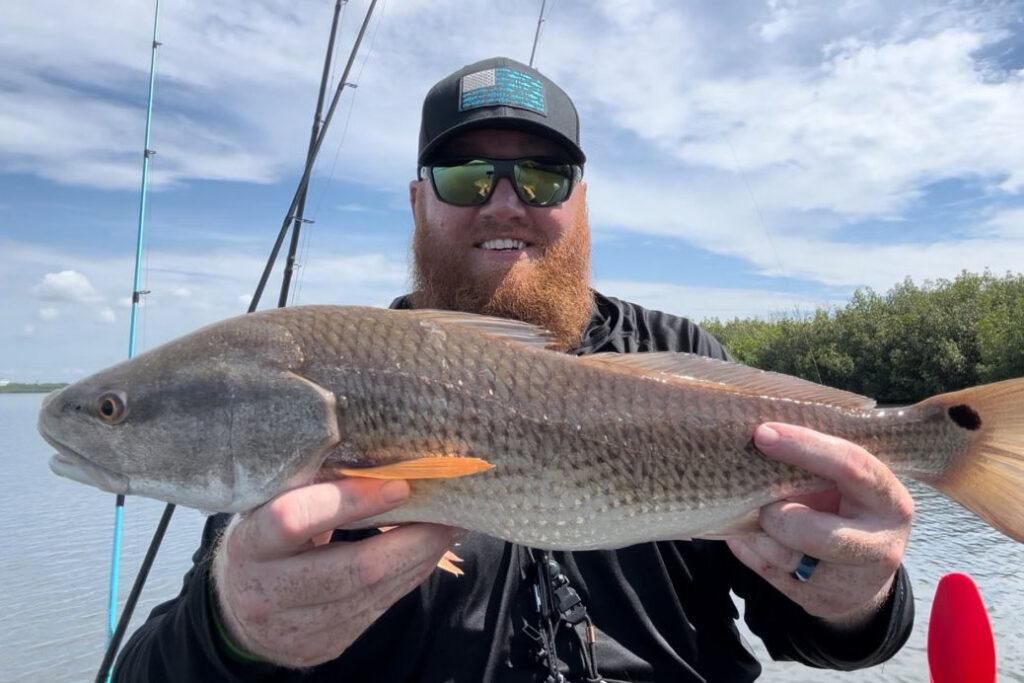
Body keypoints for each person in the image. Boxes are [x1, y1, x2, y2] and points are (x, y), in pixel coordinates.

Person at [114, 56, 914, 682]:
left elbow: (822, 637)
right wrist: (235, 626)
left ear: (581, 200)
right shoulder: (331, 382)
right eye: (465, 177)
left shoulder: (687, 362)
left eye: (542, 175)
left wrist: (859, 592)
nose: (504, 202)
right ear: (418, 202)